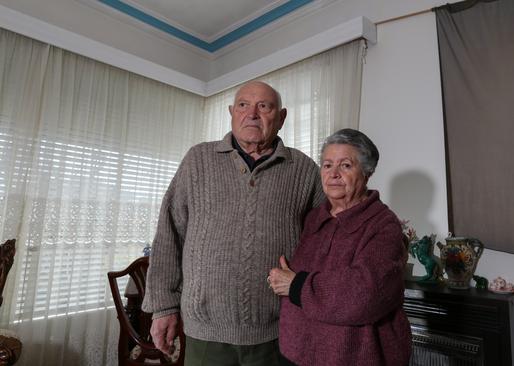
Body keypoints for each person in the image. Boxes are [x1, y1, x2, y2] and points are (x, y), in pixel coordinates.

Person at [142, 81, 325, 365]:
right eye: (243, 105)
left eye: (264, 106)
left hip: (278, 332)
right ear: (231, 112)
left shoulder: (304, 170)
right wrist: (163, 308)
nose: (252, 113)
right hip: (206, 331)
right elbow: (169, 235)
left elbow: (326, 241)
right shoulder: (198, 160)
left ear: (282, 117)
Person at [268, 128, 412, 366]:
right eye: (327, 165)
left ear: (367, 172)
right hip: (297, 353)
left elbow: (365, 294)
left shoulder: (384, 226)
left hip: (352, 358)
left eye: (345, 165)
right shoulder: (314, 218)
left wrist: (296, 285)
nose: (333, 174)